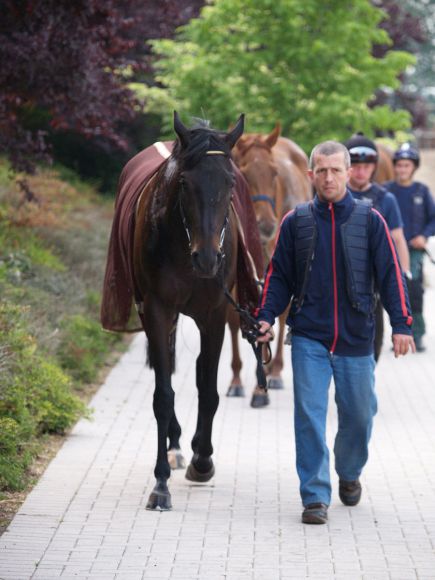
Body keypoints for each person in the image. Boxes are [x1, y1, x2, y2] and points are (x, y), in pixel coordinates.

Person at [256, 141, 415, 525]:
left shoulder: (370, 220)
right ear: (311, 175)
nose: (328, 178)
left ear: (348, 174)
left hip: (357, 339)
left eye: (336, 171)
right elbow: (279, 277)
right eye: (321, 171)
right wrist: (265, 316)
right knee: (309, 414)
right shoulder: (296, 222)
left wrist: (402, 324)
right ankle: (314, 495)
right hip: (309, 336)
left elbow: (392, 275)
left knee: (360, 415)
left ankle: (349, 470)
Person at [344, 134, 411, 361]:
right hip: (338, 281)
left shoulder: (386, 199)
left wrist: (404, 276)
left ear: (374, 167)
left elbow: (398, 239)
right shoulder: (334, 195)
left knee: (374, 344)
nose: (361, 171)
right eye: (355, 166)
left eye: (366, 167)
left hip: (372, 285)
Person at [384, 143, 435, 352]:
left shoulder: (421, 192)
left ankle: (418, 333)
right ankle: (395, 333)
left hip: (413, 251)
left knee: (413, 291)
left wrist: (423, 236)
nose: (402, 169)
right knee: (389, 293)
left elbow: (433, 219)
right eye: (399, 165)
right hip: (389, 250)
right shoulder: (386, 191)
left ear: (413, 167)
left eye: (407, 165)